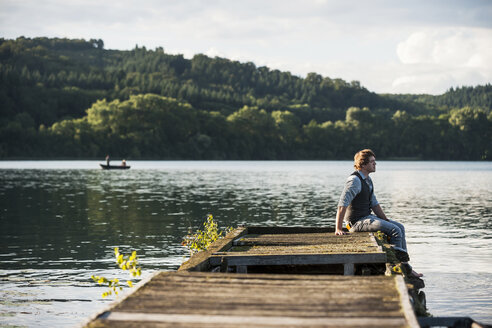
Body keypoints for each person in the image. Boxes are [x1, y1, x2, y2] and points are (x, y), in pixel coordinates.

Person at [335, 149, 422, 277]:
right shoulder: (354, 181)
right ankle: (397, 268)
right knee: (395, 231)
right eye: (372, 162)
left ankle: (405, 267)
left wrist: (386, 220)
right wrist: (338, 228)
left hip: (367, 218)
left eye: (375, 161)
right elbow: (342, 204)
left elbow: (374, 204)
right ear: (363, 164)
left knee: (399, 227)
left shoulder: (367, 180)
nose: (375, 164)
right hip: (355, 223)